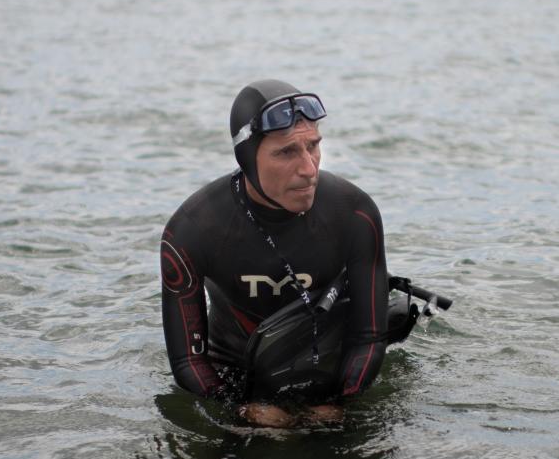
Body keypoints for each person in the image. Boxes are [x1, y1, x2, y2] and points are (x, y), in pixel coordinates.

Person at [160, 79, 392, 427]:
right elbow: (187, 362)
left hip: (329, 368)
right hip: (235, 373)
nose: (309, 168)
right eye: (286, 152)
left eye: (313, 146)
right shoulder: (195, 228)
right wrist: (237, 409)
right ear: (247, 157)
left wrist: (339, 403)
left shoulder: (353, 213)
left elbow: (369, 337)